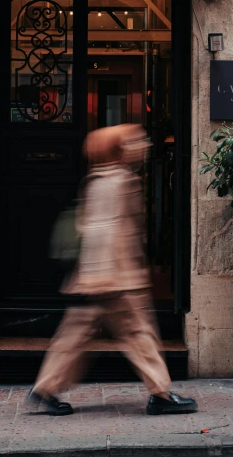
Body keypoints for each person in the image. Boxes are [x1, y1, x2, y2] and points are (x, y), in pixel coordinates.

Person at [28, 123, 198, 416]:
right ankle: (161, 393)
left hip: (98, 276)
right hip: (113, 277)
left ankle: (45, 387)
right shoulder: (117, 180)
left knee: (76, 333)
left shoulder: (98, 178)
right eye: (135, 141)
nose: (142, 145)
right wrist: (104, 274)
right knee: (138, 333)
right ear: (118, 149)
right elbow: (103, 230)